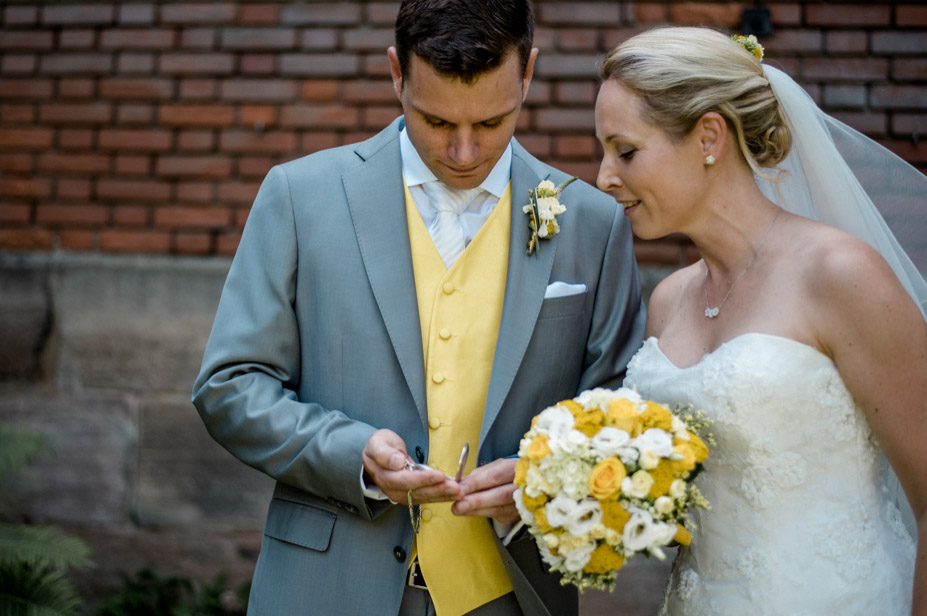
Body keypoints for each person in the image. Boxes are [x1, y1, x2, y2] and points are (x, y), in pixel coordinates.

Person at [192, 1, 646, 614]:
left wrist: (544, 474)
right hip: (328, 589)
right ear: (396, 74)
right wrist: (351, 454)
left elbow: (619, 410)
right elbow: (229, 385)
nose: (463, 152)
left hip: (511, 592)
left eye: (492, 122)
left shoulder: (594, 224)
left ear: (529, 74)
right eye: (436, 121)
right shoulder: (299, 197)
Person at [595, 26, 927, 614]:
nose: (604, 176)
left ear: (709, 137)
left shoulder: (838, 274)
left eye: (625, 151)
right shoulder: (669, 301)